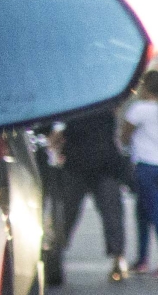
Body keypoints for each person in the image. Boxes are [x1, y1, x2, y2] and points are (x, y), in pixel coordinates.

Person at [53, 107, 134, 282]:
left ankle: (55, 256)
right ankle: (118, 257)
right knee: (111, 211)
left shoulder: (75, 104)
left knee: (67, 212)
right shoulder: (105, 101)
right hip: (103, 162)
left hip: (77, 162)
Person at [117, 71, 158, 278]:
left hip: (146, 166)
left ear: (145, 87)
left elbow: (124, 136)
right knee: (143, 212)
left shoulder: (140, 109)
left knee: (154, 214)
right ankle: (142, 259)